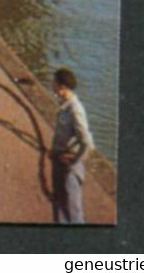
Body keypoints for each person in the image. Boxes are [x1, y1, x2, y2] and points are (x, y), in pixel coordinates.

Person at [49, 67, 94, 223]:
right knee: (60, 205)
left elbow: (87, 143)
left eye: (54, 82)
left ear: (62, 87)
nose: (51, 84)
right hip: (60, 161)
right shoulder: (64, 106)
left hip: (68, 167)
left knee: (72, 210)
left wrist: (74, 162)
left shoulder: (75, 110)